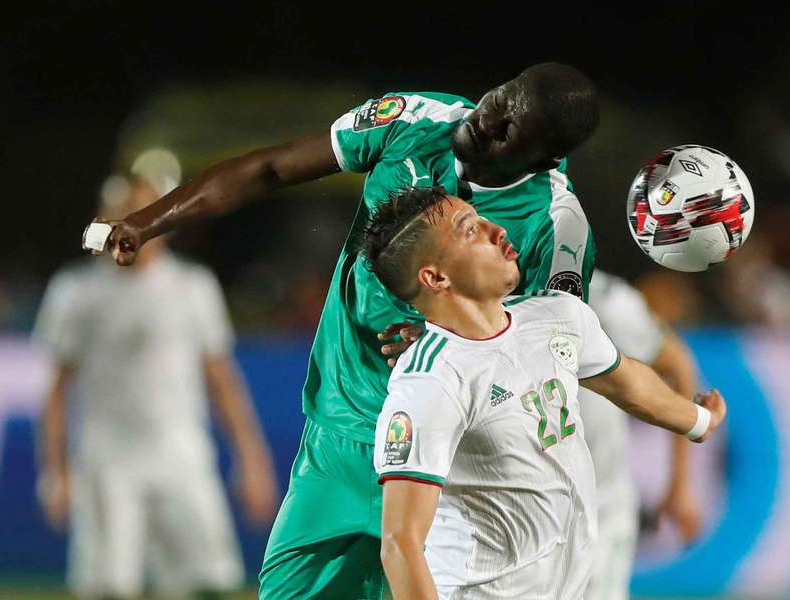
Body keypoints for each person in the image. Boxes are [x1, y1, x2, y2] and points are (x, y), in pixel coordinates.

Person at [92, 63, 601, 599]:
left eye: (508, 129)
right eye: (498, 97)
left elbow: (550, 351)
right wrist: (149, 222)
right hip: (338, 432)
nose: (487, 120)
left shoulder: (557, 224)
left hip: (448, 468)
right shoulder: (415, 118)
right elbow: (271, 168)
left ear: (544, 157)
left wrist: (459, 344)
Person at [361, 187, 726, 599]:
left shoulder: (558, 315)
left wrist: (697, 419)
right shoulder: (430, 384)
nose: (497, 230)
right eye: (470, 230)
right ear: (435, 277)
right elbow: (401, 543)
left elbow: (628, 384)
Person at [37, 175, 278, 599]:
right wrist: (54, 470)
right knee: (109, 587)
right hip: (105, 460)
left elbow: (222, 380)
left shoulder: (192, 287)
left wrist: (252, 459)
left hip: (181, 454)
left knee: (208, 583)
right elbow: (56, 390)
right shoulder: (75, 291)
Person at [579, 270, 703, 600]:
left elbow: (678, 365)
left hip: (600, 508)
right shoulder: (473, 299)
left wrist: (680, 484)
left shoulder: (602, 298)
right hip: (522, 504)